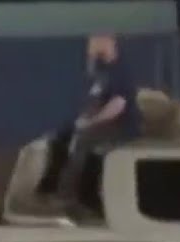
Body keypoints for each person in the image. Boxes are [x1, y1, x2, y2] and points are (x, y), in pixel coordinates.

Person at [38, 35, 143, 199]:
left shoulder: (121, 71)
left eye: (95, 41)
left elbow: (117, 106)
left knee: (84, 140)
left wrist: (90, 122)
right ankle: (48, 188)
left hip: (123, 126)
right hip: (104, 122)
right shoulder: (102, 71)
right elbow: (95, 100)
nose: (91, 45)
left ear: (109, 42)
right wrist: (83, 119)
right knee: (61, 135)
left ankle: (71, 196)